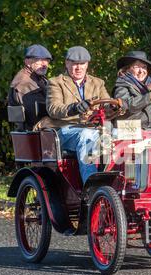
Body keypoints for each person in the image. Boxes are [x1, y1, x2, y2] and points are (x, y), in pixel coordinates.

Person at [35, 46, 110, 184]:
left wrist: (116, 106)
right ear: (66, 63)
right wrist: (74, 108)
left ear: (87, 65)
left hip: (94, 130)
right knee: (85, 136)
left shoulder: (98, 83)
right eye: (74, 63)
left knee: (120, 135)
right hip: (65, 131)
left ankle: (119, 185)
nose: (78, 67)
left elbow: (107, 105)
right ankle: (91, 188)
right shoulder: (56, 82)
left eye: (82, 64)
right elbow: (53, 108)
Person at [7, 44, 52, 130]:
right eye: (39, 60)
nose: (44, 64)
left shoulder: (37, 77)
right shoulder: (24, 82)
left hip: (40, 128)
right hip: (33, 131)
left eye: (46, 60)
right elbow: (35, 113)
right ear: (27, 62)